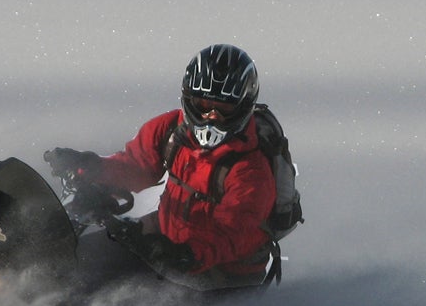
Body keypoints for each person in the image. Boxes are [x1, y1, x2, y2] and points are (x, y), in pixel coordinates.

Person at [47, 44, 278, 291]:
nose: (211, 117)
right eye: (203, 104)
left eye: (224, 109)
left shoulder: (251, 172)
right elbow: (134, 166)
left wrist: (184, 254)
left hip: (219, 276)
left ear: (244, 107)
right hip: (165, 242)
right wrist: (88, 167)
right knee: (70, 261)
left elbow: (232, 233)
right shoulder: (172, 129)